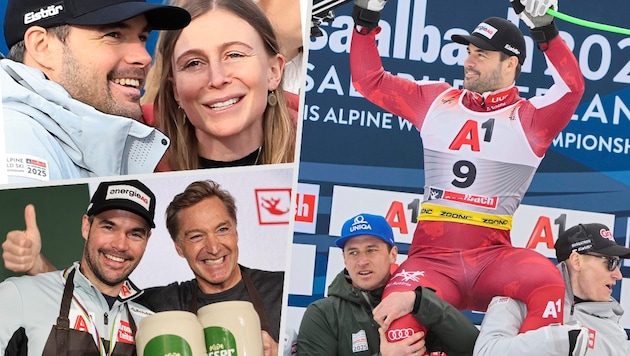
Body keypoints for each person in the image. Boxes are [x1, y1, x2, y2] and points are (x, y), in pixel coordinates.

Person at [349, 0, 585, 343]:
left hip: (493, 259)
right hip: (431, 262)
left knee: (548, 282)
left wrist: (546, 31)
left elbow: (572, 88)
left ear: (511, 63)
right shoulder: (436, 102)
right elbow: (369, 80)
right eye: (470, 51)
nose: (469, 62)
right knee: (399, 333)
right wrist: (365, 20)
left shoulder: (531, 120)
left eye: (482, 55)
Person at [2, 179, 284, 356]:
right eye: (109, 227)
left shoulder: (285, 288)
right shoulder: (159, 307)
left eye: (135, 233)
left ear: (236, 232)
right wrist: (39, 268)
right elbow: (85, 294)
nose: (213, 247)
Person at [0, 0, 191, 183]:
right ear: (42, 46)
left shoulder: (74, 138)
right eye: (114, 35)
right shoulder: (15, 137)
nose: (144, 57)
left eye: (142, 38)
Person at [0, 179, 157, 355]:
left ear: (147, 240)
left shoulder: (149, 324)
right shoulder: (19, 295)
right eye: (108, 227)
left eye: (135, 234)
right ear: (86, 226)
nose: (120, 245)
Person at [141, 0, 296, 170]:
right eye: (194, 63)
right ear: (175, 89)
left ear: (274, 71)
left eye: (234, 55)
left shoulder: (317, 154)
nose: (216, 79)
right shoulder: (136, 160)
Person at [297, 213, 479, 356]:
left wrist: (419, 302)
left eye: (371, 250)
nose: (362, 261)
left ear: (393, 254)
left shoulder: (421, 299)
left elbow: (475, 349)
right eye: (353, 253)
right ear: (344, 258)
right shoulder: (323, 313)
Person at [474, 223, 630, 355]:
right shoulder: (521, 295)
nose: (618, 275)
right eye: (611, 263)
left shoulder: (612, 327)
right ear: (577, 261)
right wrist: (559, 339)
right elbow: (487, 352)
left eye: (619, 264)